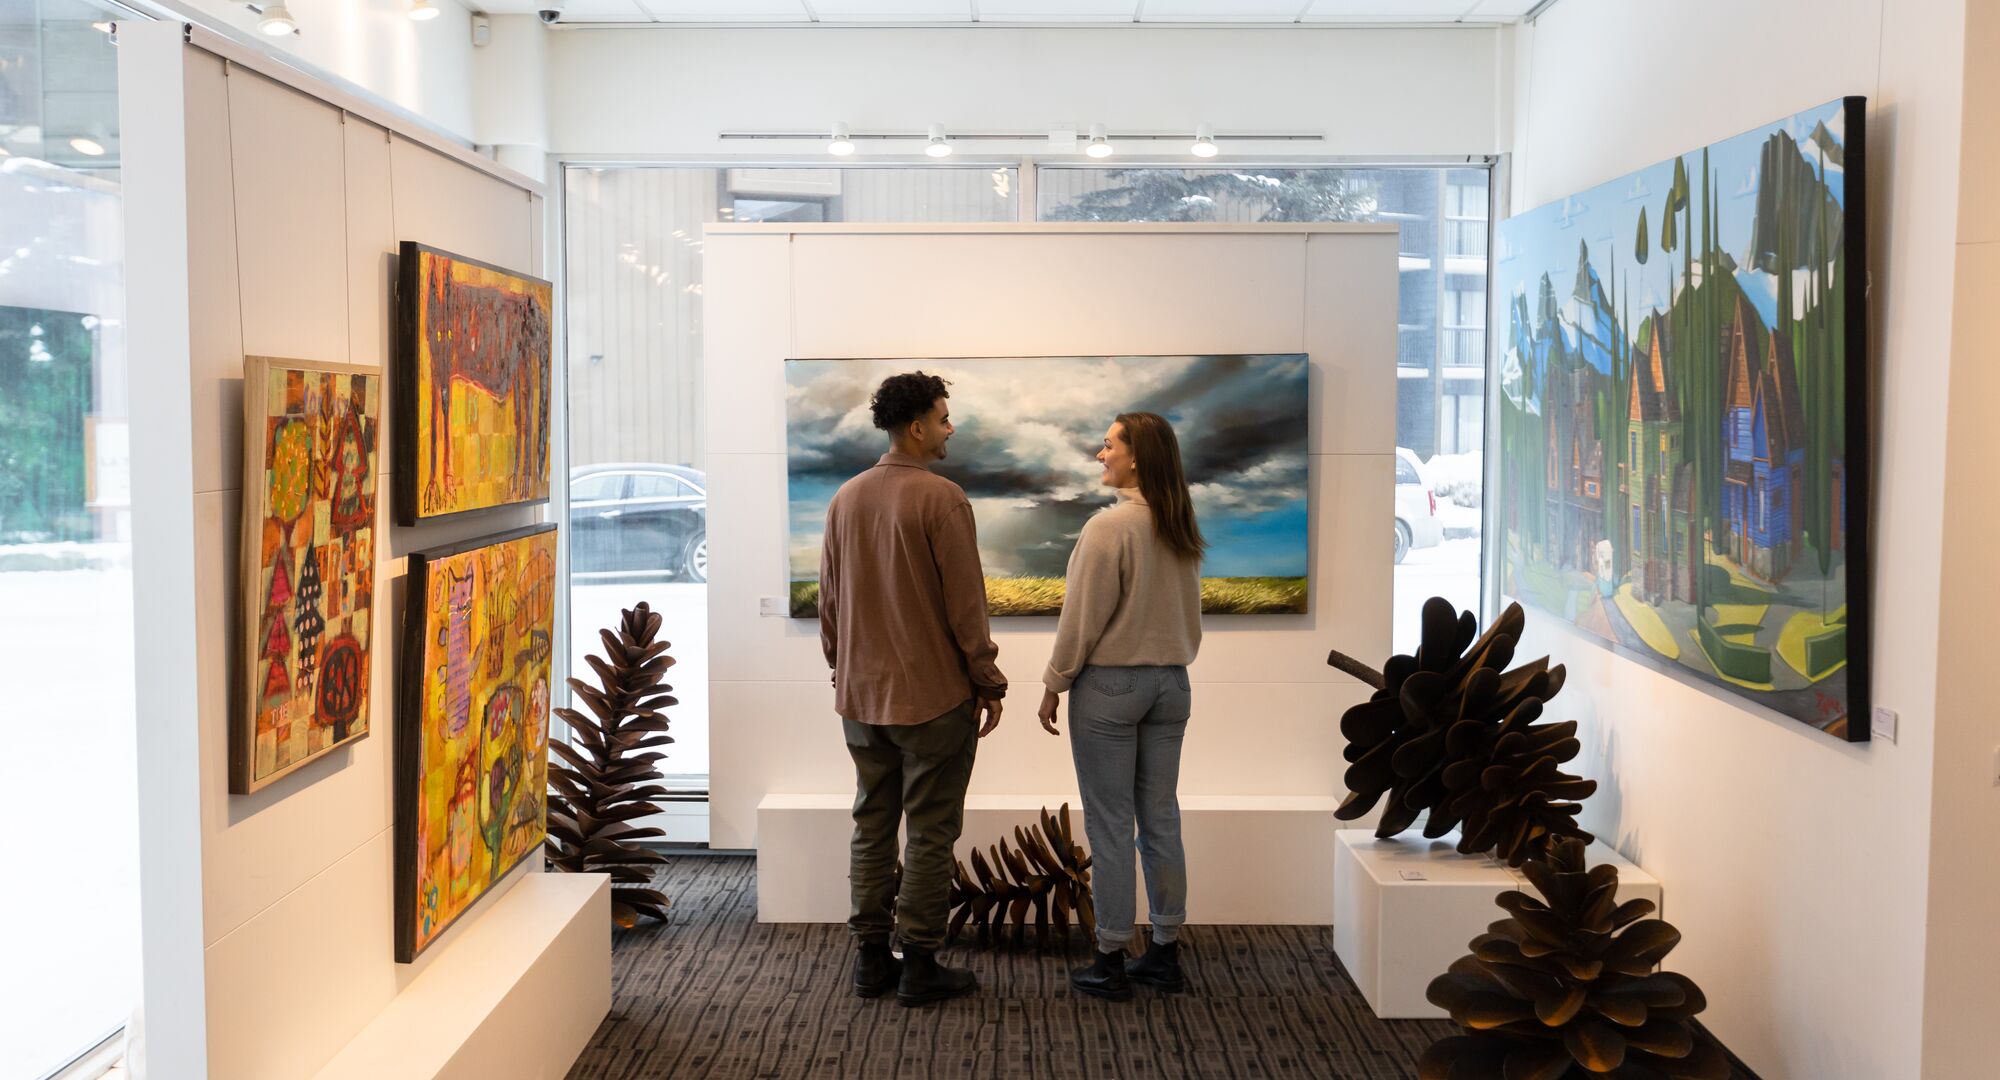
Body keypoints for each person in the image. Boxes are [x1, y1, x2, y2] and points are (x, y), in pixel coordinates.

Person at [819, 370, 1007, 1008]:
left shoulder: (845, 498)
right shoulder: (943, 499)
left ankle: (871, 960)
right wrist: (988, 680)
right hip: (934, 699)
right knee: (929, 830)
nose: (951, 428)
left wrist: (842, 667)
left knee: (872, 823)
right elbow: (966, 608)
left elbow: (830, 604)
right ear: (918, 426)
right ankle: (920, 965)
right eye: (944, 418)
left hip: (861, 697)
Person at [1037, 411, 1204, 1002]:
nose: (1100, 454)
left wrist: (1054, 682)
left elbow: (1081, 619)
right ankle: (1164, 951)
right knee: (1161, 818)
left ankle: (1109, 957)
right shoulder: (1180, 525)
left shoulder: (1109, 527)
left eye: (1108, 445)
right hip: (1172, 686)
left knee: (1110, 825)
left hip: (1110, 687)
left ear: (1137, 457)